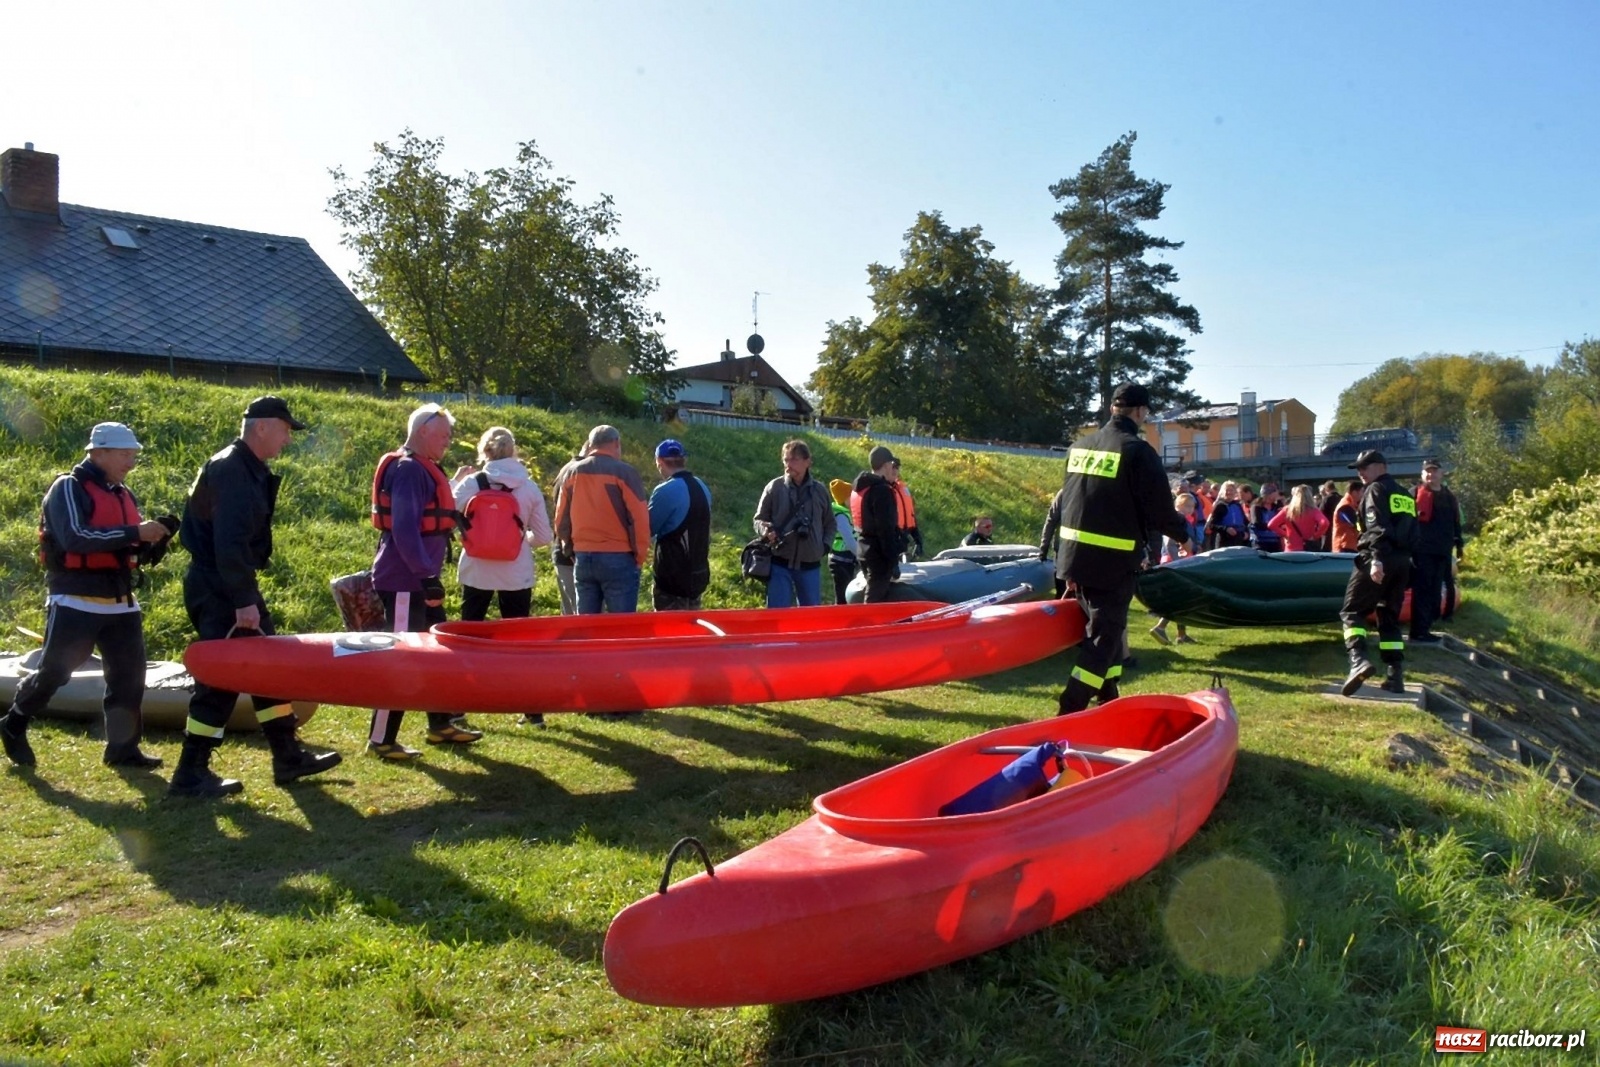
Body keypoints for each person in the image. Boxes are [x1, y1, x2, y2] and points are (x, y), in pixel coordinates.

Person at [169, 397, 341, 797]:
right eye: (284, 430)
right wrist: (243, 599)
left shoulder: (242, 466)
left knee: (267, 667)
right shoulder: (232, 468)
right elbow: (228, 541)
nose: (287, 440)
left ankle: (287, 755)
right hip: (222, 587)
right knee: (222, 678)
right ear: (262, 427)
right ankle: (191, 771)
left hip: (227, 582)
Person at [2, 422, 176, 770]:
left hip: (120, 600)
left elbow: (123, 545)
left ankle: (122, 750)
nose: (132, 461)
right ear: (99, 453)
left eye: (134, 454)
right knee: (55, 673)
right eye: (125, 454)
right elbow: (74, 538)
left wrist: (150, 543)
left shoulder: (123, 493)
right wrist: (133, 532)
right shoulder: (67, 487)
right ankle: (14, 722)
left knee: (129, 676)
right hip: (75, 599)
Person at [1054, 383, 1189, 715]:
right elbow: (1160, 510)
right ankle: (1069, 709)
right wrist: (1185, 537)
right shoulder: (1137, 451)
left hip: (1074, 560)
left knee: (1107, 635)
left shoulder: (1079, 447)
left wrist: (1066, 562)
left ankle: (1108, 700)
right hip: (1111, 564)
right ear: (1141, 412)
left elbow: (1070, 504)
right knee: (1103, 640)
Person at [367, 403, 484, 759]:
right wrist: (426, 575)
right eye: (444, 434)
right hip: (406, 581)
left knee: (436, 653)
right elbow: (403, 528)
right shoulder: (408, 470)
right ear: (422, 432)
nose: (449, 440)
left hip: (419, 579)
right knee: (401, 657)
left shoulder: (421, 467)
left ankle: (440, 724)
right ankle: (381, 739)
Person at [451, 425, 553, 622]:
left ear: (485, 451)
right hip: (516, 570)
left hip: (476, 568)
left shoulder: (471, 483)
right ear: (513, 451)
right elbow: (544, 536)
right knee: (515, 635)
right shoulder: (529, 488)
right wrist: (521, 540)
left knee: (470, 631)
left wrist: (455, 481)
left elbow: (446, 511)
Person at [1337, 450, 1419, 696]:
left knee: (1352, 611)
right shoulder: (1405, 494)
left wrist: (1376, 559)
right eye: (1358, 468)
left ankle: (1358, 660)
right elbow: (1415, 532)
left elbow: (1376, 527)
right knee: (1388, 616)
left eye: (1365, 466)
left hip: (1378, 558)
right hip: (1403, 562)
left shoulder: (1375, 490)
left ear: (1381, 466)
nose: (1360, 472)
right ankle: (1395, 675)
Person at [553, 424, 651, 616]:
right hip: (619, 557)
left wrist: (570, 549)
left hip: (583, 557)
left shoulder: (572, 472)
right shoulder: (625, 473)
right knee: (620, 628)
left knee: (587, 627)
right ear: (616, 443)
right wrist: (639, 556)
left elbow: (560, 519)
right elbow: (639, 518)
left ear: (590, 444)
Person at [753, 440, 832, 608]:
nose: (788, 464)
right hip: (780, 562)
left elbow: (830, 523)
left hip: (810, 565)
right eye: (785, 460)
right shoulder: (774, 487)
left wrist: (824, 546)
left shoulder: (819, 491)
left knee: (810, 619)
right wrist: (765, 531)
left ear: (807, 461)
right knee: (778, 617)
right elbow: (758, 519)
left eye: (794, 459)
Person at [647, 438, 712, 611]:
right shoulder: (702, 487)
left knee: (670, 633)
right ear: (684, 460)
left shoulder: (666, 490)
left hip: (672, 580)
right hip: (698, 574)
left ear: (659, 461)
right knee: (692, 632)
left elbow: (648, 528)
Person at [1409, 459, 1464, 643]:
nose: (1431, 474)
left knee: (1434, 592)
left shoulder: (1449, 497)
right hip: (1422, 551)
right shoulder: (1414, 494)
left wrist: (1459, 544)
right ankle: (1419, 631)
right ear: (1422, 474)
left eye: (1434, 471)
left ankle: (1427, 626)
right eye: (1427, 471)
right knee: (1422, 591)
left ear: (1442, 474)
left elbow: (1455, 523)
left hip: (1442, 551)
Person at [851, 446, 910, 603]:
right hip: (879, 554)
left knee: (873, 593)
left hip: (863, 549)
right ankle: (870, 626)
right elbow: (885, 528)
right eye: (891, 463)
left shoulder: (861, 487)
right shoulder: (882, 491)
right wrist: (893, 556)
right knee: (874, 600)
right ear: (886, 464)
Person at [1148, 491, 1202, 647]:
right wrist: (1178, 563)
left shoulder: (1185, 520)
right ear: (1178, 505)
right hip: (1174, 563)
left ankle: (1182, 634)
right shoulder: (1177, 520)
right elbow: (1171, 543)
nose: (1190, 509)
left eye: (1192, 507)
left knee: (1182, 598)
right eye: (1187, 506)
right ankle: (1160, 627)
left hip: (1177, 561)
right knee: (1179, 599)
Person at [549, 443, 588, 616]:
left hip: (564, 551)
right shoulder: (580, 473)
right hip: (573, 553)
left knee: (570, 613)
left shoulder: (567, 469)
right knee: (581, 616)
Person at [1267, 484, 1331, 552]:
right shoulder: (1313, 510)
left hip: (1291, 549)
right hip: (1308, 548)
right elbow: (1325, 523)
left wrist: (1285, 535)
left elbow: (1271, 524)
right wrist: (1316, 536)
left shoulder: (1287, 510)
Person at [826, 478, 860, 605]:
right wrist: (861, 555)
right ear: (844, 499)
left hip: (847, 560)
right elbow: (849, 541)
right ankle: (841, 619)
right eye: (851, 497)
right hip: (840, 561)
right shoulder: (840, 516)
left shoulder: (846, 514)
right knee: (843, 595)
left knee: (847, 594)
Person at [891, 463, 925, 561]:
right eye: (892, 467)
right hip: (890, 541)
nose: (894, 470)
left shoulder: (902, 488)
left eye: (897, 467)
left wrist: (917, 537)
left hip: (903, 539)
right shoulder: (882, 490)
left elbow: (910, 514)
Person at [1037, 488, 1067, 596]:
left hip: (1064, 552)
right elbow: (1051, 521)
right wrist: (1044, 548)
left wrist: (1044, 548)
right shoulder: (1065, 493)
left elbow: (1051, 521)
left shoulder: (1065, 492)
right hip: (1063, 551)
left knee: (1063, 591)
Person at [1205, 480, 1250, 549]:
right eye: (1227, 490)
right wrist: (1226, 529)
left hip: (1239, 539)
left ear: (1235, 492)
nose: (1229, 492)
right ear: (1223, 492)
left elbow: (1245, 522)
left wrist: (1247, 533)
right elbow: (1212, 525)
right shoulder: (1220, 506)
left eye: (1231, 490)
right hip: (1225, 540)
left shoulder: (1238, 505)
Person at [1331, 479, 1362, 552]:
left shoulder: (1352, 505)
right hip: (1344, 546)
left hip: (1349, 544)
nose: (1364, 494)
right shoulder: (1345, 506)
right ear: (1354, 492)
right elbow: (1355, 523)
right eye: (1362, 491)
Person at [1252, 483, 1284, 552]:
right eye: (1269, 496)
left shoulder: (1276, 507)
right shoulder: (1256, 507)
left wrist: (1279, 502)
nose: (1271, 499)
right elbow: (1257, 523)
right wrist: (1272, 526)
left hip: (1275, 541)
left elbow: (1282, 521)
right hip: (1261, 542)